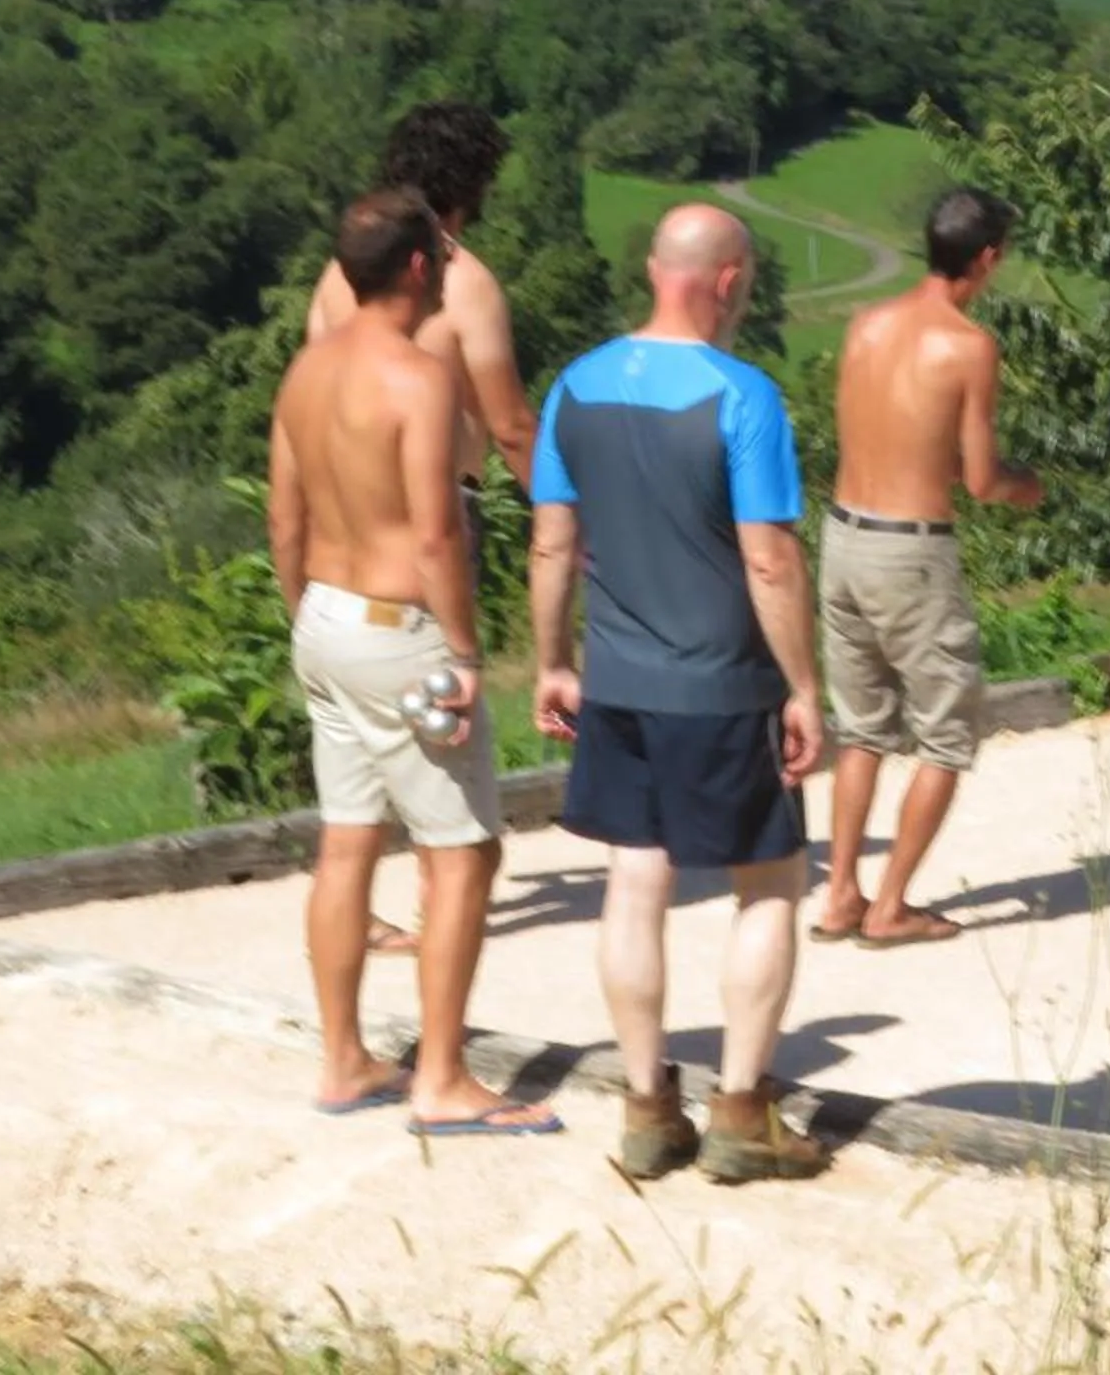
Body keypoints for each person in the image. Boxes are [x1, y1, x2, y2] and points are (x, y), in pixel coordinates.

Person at [528, 204, 829, 1185]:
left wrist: (551, 660)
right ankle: (742, 1110)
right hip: (727, 683)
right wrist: (804, 686)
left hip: (619, 680)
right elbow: (770, 560)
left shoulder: (573, 385)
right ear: (731, 280)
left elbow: (552, 540)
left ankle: (648, 1106)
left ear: (655, 268)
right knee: (772, 881)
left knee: (634, 881)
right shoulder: (743, 394)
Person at [269, 189, 559, 1137]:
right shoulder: (419, 379)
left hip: (323, 617)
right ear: (424, 270)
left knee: (347, 837)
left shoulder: (305, 372)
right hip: (403, 632)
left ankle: (345, 1057)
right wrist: (468, 651)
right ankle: (441, 1078)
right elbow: (438, 533)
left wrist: (305, 615)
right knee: (466, 850)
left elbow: (285, 516)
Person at [307, 102, 539, 959]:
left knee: (356, 764)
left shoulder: (341, 275)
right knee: (438, 728)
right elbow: (511, 424)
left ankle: (362, 908)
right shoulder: (463, 282)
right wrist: (562, 516)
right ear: (472, 185)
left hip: (339, 522)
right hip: (431, 513)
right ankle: (443, 893)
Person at [813, 188, 1043, 950]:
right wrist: (1025, 487)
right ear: (987, 258)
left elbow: (887, 428)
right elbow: (978, 481)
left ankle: (841, 894)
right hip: (910, 552)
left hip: (842, 537)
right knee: (945, 735)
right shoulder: (969, 345)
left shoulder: (865, 325)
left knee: (863, 732)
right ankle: (891, 907)